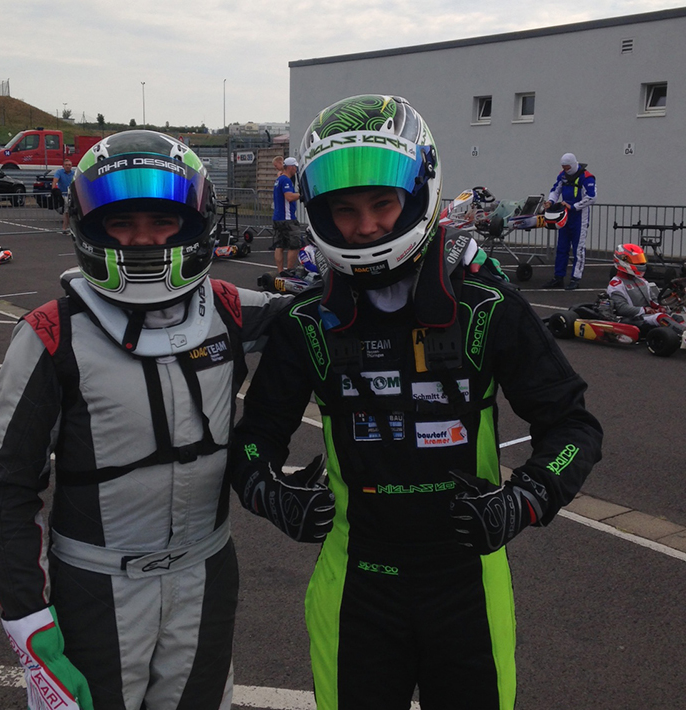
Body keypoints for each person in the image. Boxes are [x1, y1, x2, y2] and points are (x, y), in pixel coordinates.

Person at [230, 95, 603, 710]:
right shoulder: (308, 321)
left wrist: (528, 498)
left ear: (419, 193)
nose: (366, 227)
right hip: (355, 584)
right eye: (345, 210)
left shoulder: (486, 306)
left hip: (469, 580)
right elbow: (253, 440)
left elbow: (573, 427)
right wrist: (268, 493)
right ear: (320, 214)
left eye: (382, 203)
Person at [0, 130, 290, 710]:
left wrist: (446, 267)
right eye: (122, 223)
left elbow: (330, 315)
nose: (144, 239)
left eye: (163, 221)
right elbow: (8, 490)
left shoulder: (227, 308)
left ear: (196, 222)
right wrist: (27, 618)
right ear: (89, 226)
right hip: (94, 588)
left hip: (206, 574)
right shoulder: (50, 334)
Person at [542, 152, 596, 290]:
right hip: (565, 216)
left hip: (579, 217)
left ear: (572, 164)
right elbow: (555, 190)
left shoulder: (587, 177)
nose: (565, 170)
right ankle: (558, 277)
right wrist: (550, 201)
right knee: (561, 247)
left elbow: (591, 197)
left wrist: (573, 206)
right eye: (563, 167)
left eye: (567, 167)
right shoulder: (562, 175)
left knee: (578, 249)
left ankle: (575, 278)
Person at [607, 243, 684, 330]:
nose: (640, 263)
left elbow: (652, 300)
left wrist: (659, 307)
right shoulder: (616, 284)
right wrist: (645, 310)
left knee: (677, 317)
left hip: (647, 315)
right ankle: (683, 333)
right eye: (636, 260)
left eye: (640, 259)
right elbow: (622, 308)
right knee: (661, 318)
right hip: (632, 318)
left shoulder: (642, 281)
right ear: (623, 261)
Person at [272, 156, 301, 274]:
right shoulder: (286, 180)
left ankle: (280, 271)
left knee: (280, 245)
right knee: (295, 244)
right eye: (295, 167)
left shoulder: (279, 179)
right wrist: (302, 194)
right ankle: (289, 270)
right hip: (287, 218)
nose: (296, 169)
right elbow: (289, 197)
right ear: (290, 167)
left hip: (278, 217)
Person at [53, 158, 75, 232]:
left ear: (71, 166)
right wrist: (54, 190)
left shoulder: (74, 173)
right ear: (63, 166)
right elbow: (55, 181)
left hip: (73, 194)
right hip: (64, 195)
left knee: (73, 212)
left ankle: (72, 228)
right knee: (66, 212)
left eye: (69, 165)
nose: (68, 166)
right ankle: (64, 228)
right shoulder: (59, 172)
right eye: (66, 165)